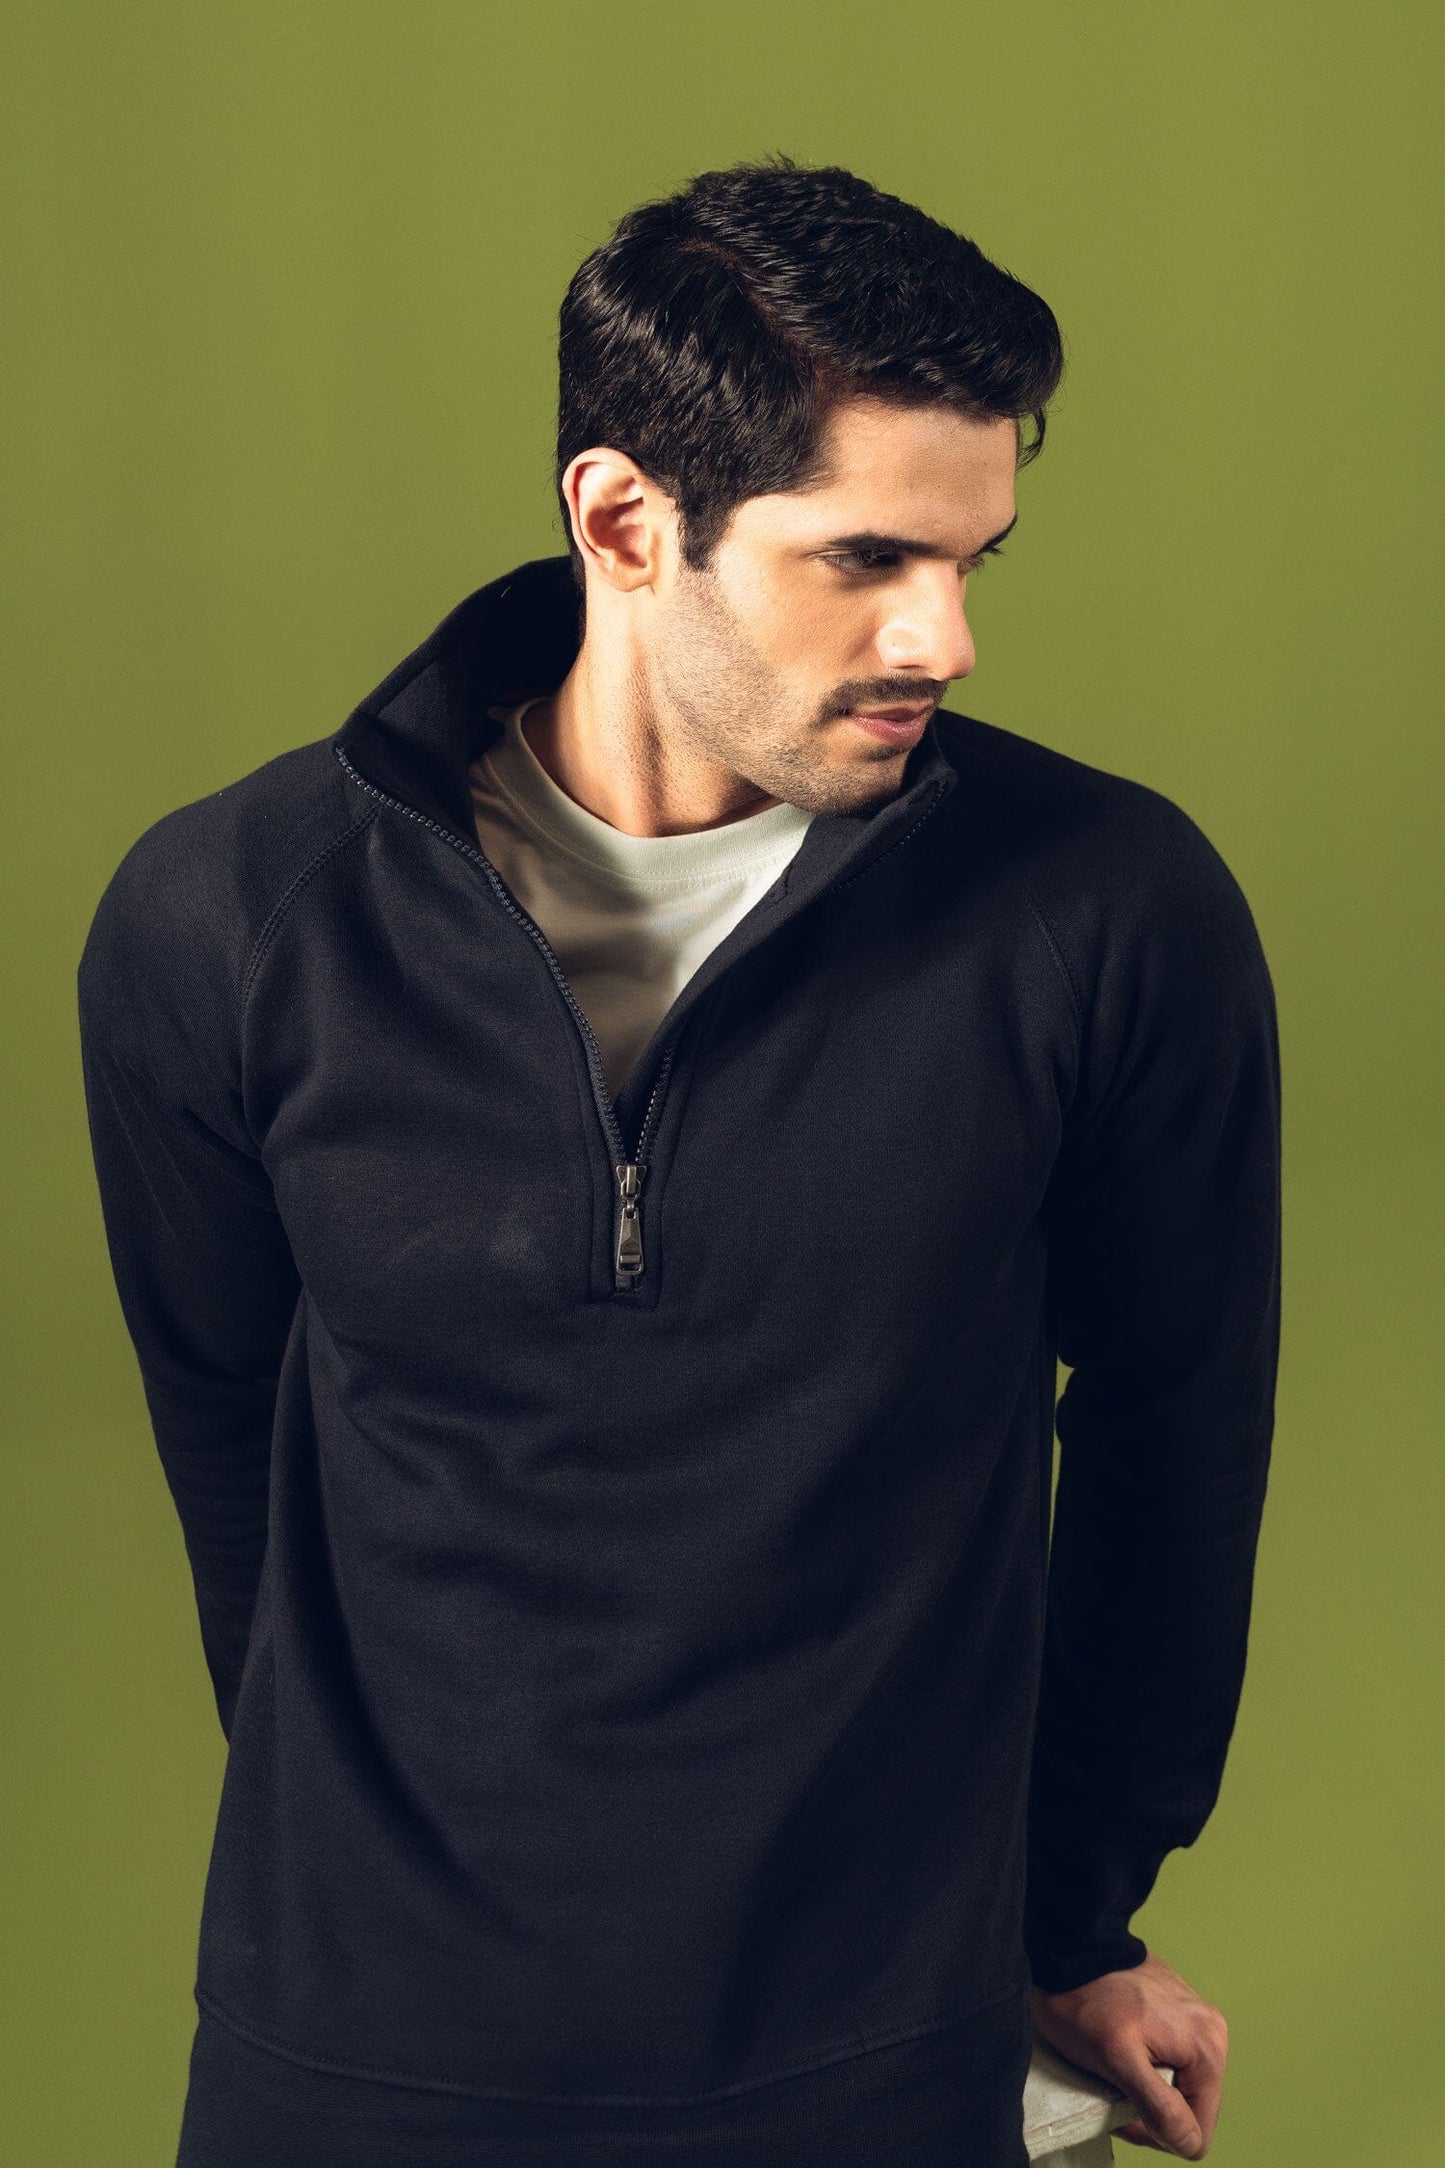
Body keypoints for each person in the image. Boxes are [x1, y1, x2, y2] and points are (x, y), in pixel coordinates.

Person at [76, 154, 1280, 2167]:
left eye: (974, 560)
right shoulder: (230, 918)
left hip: (876, 2047)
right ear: (626, 521)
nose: (945, 637)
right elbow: (230, 1431)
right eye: (868, 558)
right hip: (352, 2046)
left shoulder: (1105, 910)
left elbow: (1178, 1439)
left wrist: (1073, 1917)